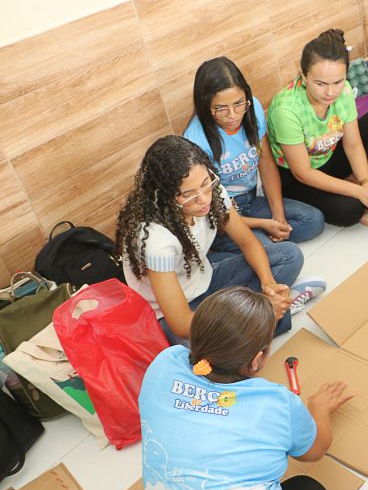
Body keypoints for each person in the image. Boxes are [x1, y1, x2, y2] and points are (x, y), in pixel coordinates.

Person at [139, 286, 368, 490]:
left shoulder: (163, 364)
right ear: (257, 360)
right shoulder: (275, 403)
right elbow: (315, 450)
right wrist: (319, 410)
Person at [115, 136, 320, 346]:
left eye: (206, 183)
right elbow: (181, 323)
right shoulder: (156, 240)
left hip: (206, 279)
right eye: (188, 194)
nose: (204, 198)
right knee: (197, 355)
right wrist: (262, 309)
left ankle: (259, 319)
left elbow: (248, 242)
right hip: (174, 313)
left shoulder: (212, 192)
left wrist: (270, 286)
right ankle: (267, 317)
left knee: (288, 255)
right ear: (164, 195)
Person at [184, 56, 325, 251]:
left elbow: (265, 161)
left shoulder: (253, 109)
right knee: (276, 253)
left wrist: (278, 216)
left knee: (313, 221)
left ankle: (259, 241)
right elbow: (211, 210)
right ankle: (254, 243)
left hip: (252, 199)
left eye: (239, 103)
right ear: (205, 106)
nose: (233, 115)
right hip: (224, 214)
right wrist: (263, 224)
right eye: (221, 108)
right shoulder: (195, 139)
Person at [267, 29, 368, 231]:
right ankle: (363, 201)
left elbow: (353, 145)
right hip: (299, 177)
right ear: (303, 76)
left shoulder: (344, 91)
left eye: (338, 82)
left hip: (329, 155)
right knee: (349, 210)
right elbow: (303, 173)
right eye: (320, 84)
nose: (330, 92)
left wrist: (367, 186)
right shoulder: (286, 109)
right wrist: (358, 192)